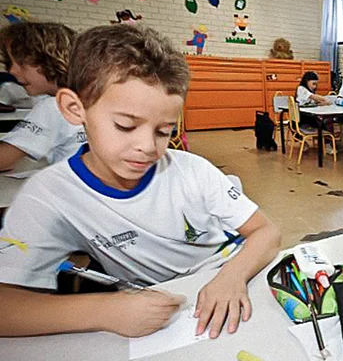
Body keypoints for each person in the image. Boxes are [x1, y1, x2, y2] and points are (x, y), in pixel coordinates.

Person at [0, 24, 281, 339]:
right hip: (170, 307)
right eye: (125, 125)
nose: (149, 147)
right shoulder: (49, 196)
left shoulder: (192, 171)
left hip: (236, 274)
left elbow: (266, 231)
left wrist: (233, 276)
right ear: (74, 108)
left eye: (164, 131)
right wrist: (105, 310)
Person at [0, 22, 86, 170]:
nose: (12, 71)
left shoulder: (54, 106)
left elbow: (3, 160)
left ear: (51, 60)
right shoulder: (90, 99)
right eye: (10, 63)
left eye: (21, 63)